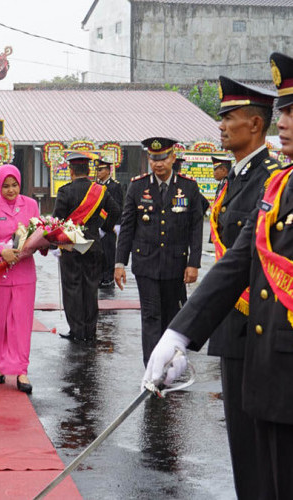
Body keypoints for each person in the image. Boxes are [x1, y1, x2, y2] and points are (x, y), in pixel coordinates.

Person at [144, 51, 293, 500]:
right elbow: (236, 263)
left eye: (291, 112)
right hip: (268, 358)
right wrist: (179, 334)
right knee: (260, 475)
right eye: (283, 110)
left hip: (274, 351)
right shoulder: (281, 185)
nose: (283, 121)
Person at [204, 76, 279, 499]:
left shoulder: (269, 178)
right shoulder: (235, 179)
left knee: (260, 448)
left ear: (255, 124)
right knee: (242, 448)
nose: (221, 125)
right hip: (234, 326)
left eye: (228, 117)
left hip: (261, 327)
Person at [114, 137, 203, 365]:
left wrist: (194, 263)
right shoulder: (137, 186)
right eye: (153, 159)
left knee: (172, 319)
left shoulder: (188, 187)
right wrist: (119, 264)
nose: (158, 164)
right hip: (146, 264)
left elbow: (195, 228)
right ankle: (152, 368)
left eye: (163, 158)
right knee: (151, 316)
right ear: (148, 159)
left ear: (173, 157)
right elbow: (127, 228)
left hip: (175, 264)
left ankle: (170, 366)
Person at [0, 164, 39, 393]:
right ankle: (1, 365)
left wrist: (42, 245)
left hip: (23, 273)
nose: (11, 190)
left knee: (21, 324)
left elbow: (37, 233)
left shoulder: (31, 205)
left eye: (15, 185)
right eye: (6, 186)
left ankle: (22, 370)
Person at [54, 153, 121, 342]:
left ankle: (76, 330)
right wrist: (103, 229)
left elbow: (56, 220)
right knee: (91, 288)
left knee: (72, 287)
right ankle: (90, 331)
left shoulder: (65, 191)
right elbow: (116, 211)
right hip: (93, 246)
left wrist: (55, 242)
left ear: (71, 171)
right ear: (89, 171)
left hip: (71, 246)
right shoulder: (100, 190)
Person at [95, 157, 123, 288]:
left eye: (100, 170)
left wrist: (114, 225)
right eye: (97, 170)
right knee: (100, 252)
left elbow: (117, 206)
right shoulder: (97, 185)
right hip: (98, 225)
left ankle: (108, 277)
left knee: (109, 251)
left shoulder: (114, 186)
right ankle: (100, 276)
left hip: (109, 225)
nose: (98, 173)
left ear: (108, 170)